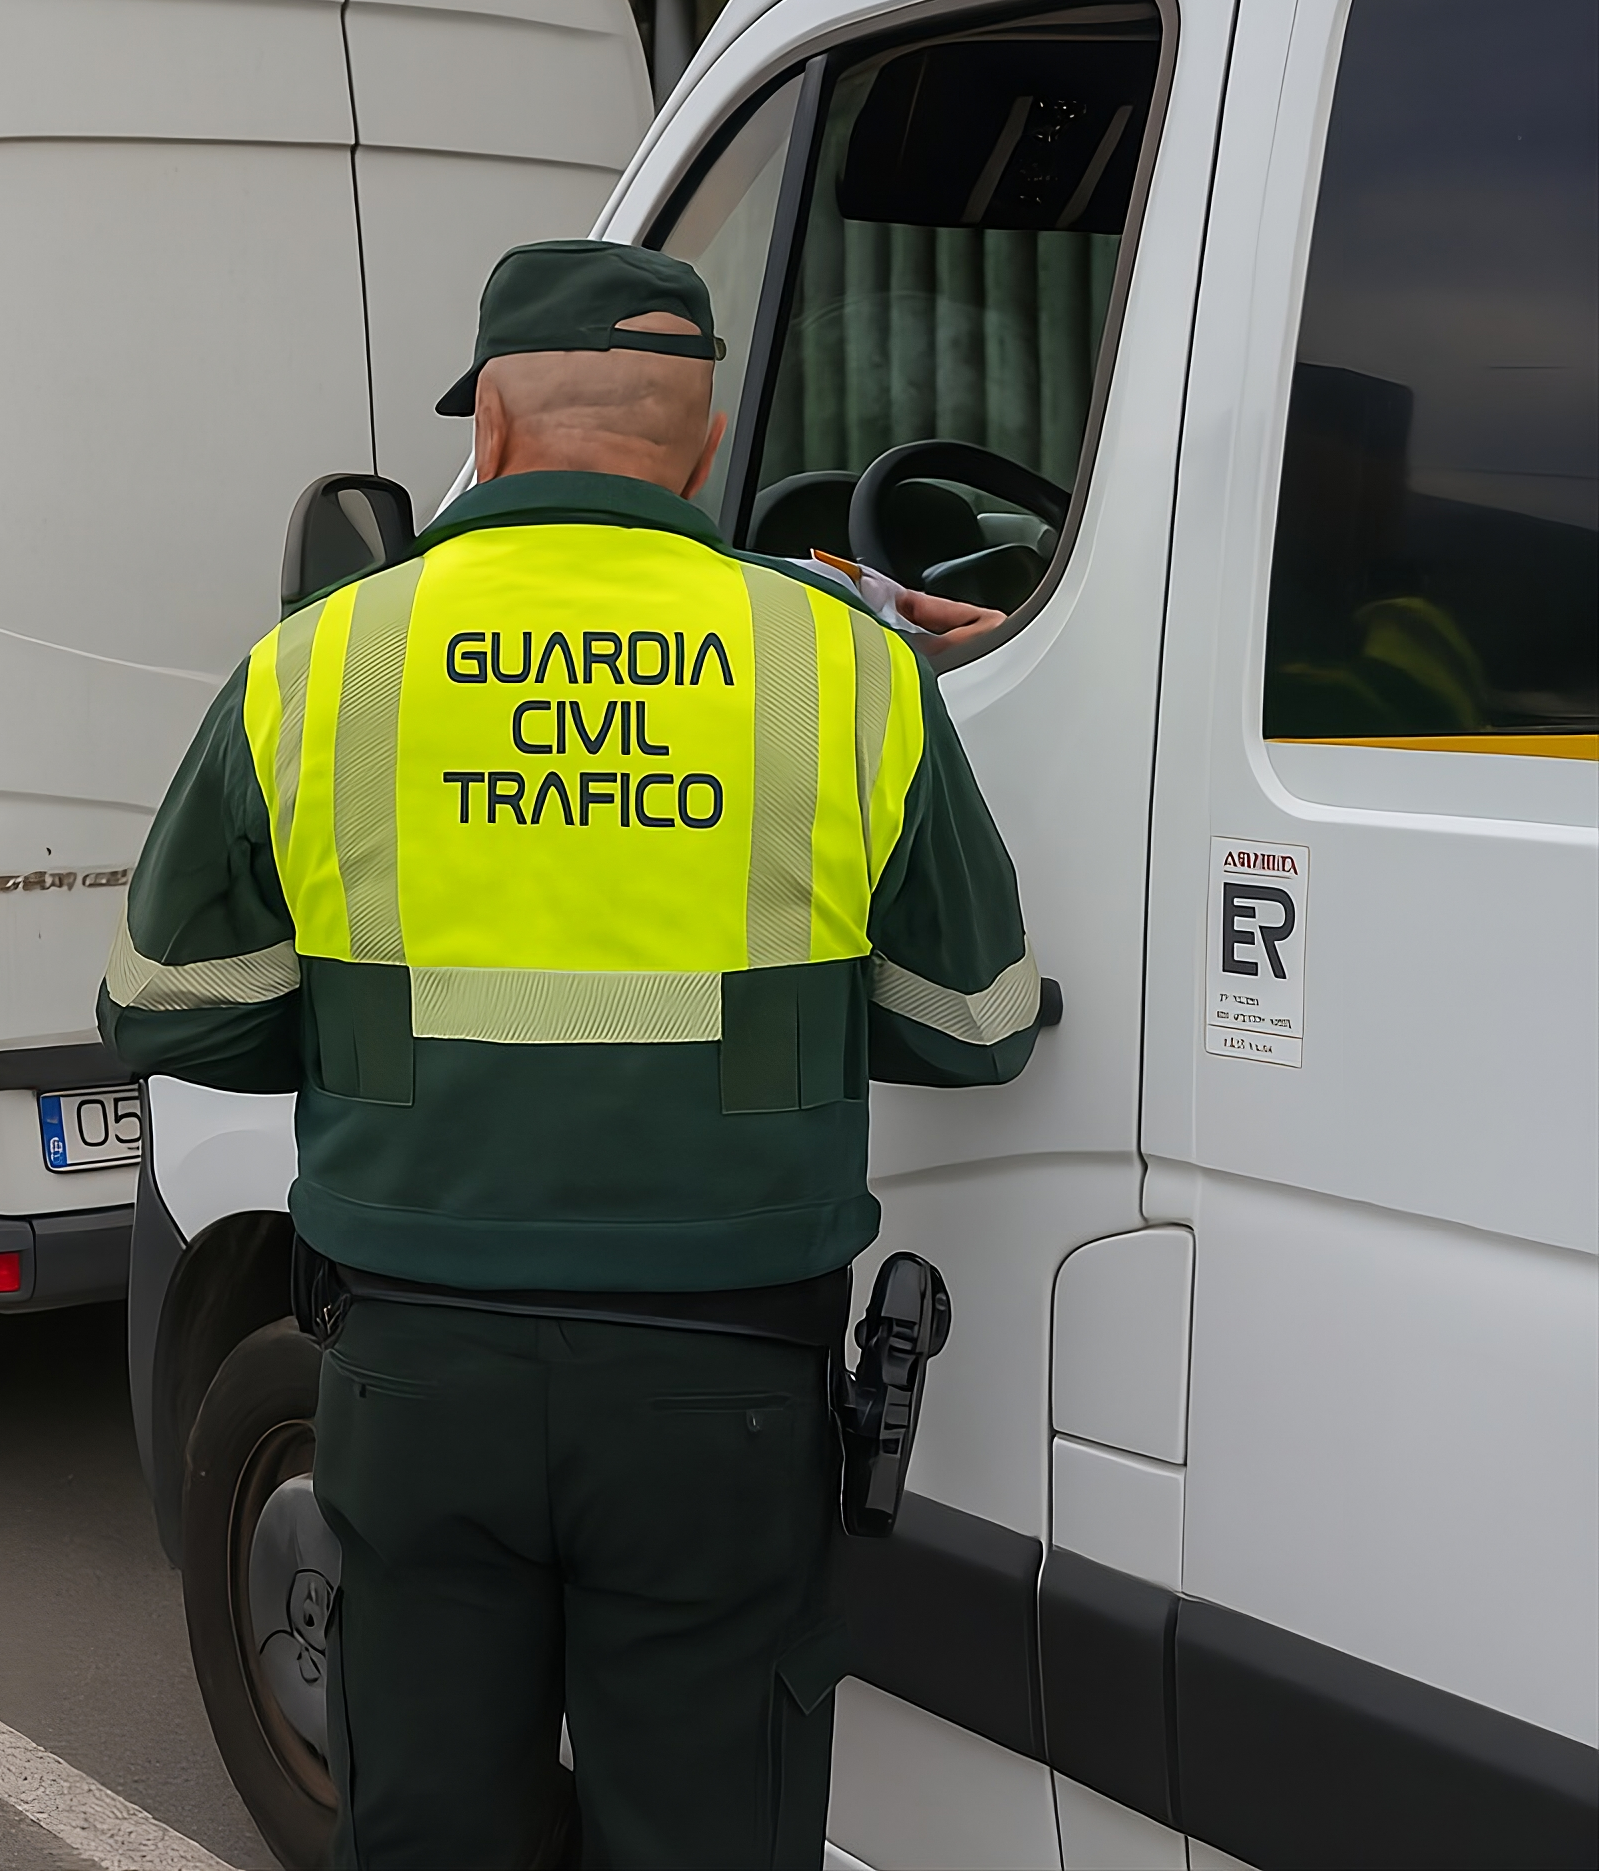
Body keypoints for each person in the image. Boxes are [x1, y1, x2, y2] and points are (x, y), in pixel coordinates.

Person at [101, 241, 1038, 1867]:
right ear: (701, 440)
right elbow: (974, 1024)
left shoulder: (317, 664)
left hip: (416, 1371)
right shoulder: (847, 668)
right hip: (722, 1391)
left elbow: (165, 1003)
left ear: (495, 432)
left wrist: (376, 1038)